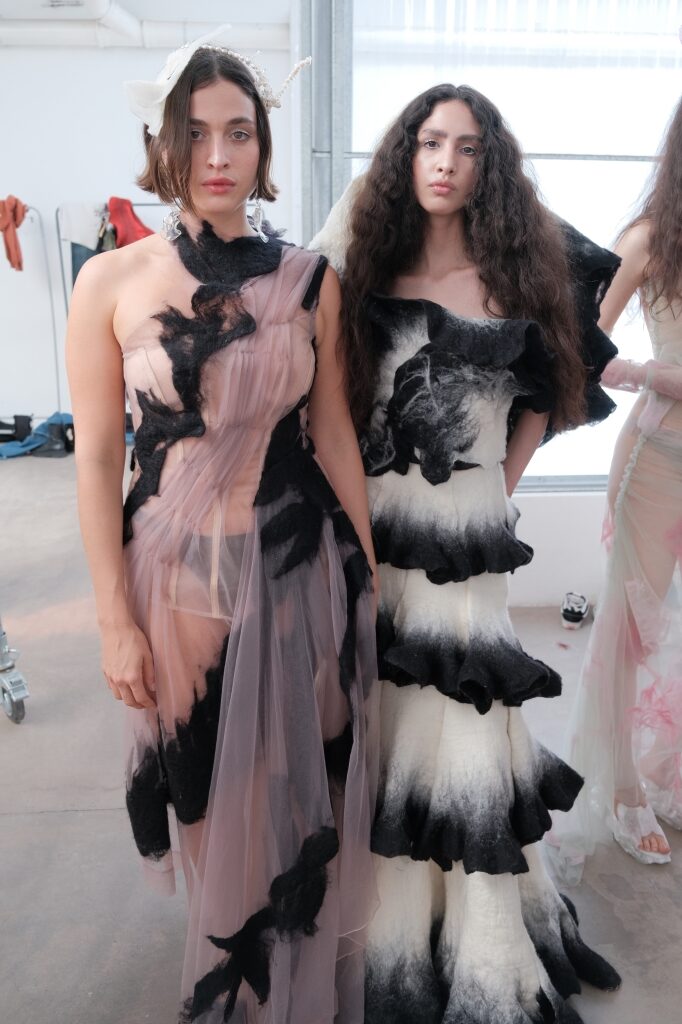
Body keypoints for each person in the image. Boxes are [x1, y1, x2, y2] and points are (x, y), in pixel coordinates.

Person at [66, 28, 379, 1024]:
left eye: (238, 132)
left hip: (298, 573)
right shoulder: (110, 282)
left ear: (262, 147)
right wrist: (112, 620)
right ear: (164, 144)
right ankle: (238, 994)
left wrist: (370, 576)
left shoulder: (310, 278)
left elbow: (333, 432)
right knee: (208, 799)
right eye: (195, 133)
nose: (217, 155)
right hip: (176, 585)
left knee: (294, 800)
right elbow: (94, 458)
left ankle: (292, 991)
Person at [310, 83, 621, 1023]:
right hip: (378, 529)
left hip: (468, 542)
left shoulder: (518, 274)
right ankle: (393, 931)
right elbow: (325, 404)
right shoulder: (361, 270)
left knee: (468, 730)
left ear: (490, 166)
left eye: (469, 147)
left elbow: (553, 390)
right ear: (405, 154)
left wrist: (500, 484)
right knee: (390, 727)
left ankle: (479, 944)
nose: (446, 162)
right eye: (430, 142)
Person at [550, 96, 682, 872]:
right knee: (634, 624)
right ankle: (624, 788)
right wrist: (654, 373)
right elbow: (580, 339)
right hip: (658, 461)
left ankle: (668, 769)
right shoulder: (649, 238)